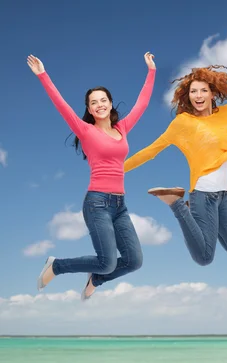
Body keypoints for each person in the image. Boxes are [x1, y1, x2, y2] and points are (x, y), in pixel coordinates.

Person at [29, 52, 156, 300]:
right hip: (97, 203)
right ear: (89, 108)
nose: (99, 105)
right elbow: (61, 105)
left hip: (120, 205)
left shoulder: (122, 128)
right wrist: (43, 75)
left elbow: (142, 104)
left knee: (134, 261)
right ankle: (57, 266)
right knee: (107, 261)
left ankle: (95, 279)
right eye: (93, 102)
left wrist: (151, 71)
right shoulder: (85, 130)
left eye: (103, 100)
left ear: (110, 103)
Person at [123, 65, 227, 267]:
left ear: (211, 93)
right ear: (187, 96)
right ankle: (176, 203)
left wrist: (217, 82)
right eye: (193, 91)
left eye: (203, 90)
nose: (198, 96)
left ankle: (199, 218)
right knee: (204, 258)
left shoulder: (223, 115)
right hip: (203, 194)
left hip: (224, 196)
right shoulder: (182, 123)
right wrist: (119, 169)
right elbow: (152, 150)